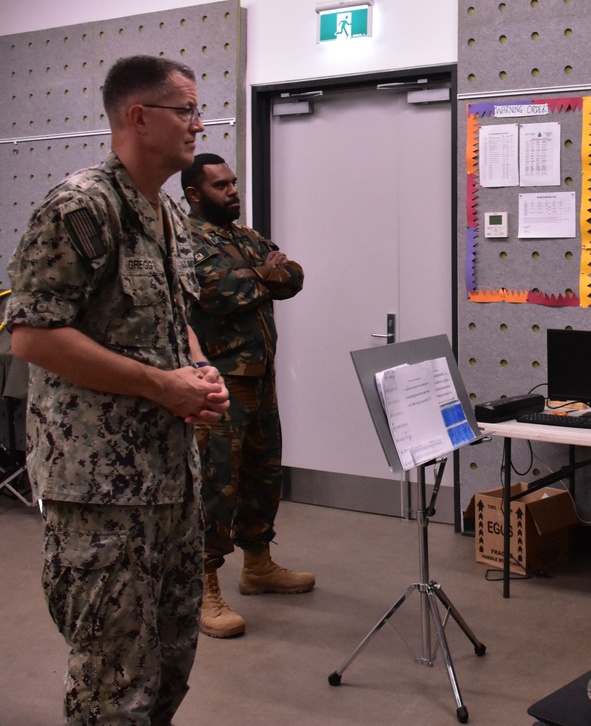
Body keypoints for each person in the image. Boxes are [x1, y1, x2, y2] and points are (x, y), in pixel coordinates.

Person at [4, 55, 230, 724]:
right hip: (101, 493)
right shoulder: (82, 205)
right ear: (139, 117)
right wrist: (162, 386)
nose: (199, 123)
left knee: (167, 670)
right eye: (186, 110)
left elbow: (168, 315)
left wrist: (199, 365)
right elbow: (33, 335)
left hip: (168, 483)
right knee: (113, 684)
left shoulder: (168, 216)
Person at [181, 153, 312, 639]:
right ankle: (203, 586)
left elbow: (294, 275)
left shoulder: (243, 236)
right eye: (220, 186)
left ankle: (258, 566)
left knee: (263, 472)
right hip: (220, 383)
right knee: (216, 485)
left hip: (261, 377)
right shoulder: (187, 240)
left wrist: (259, 273)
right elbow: (217, 293)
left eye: (233, 183)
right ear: (195, 194)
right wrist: (263, 274)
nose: (232, 192)